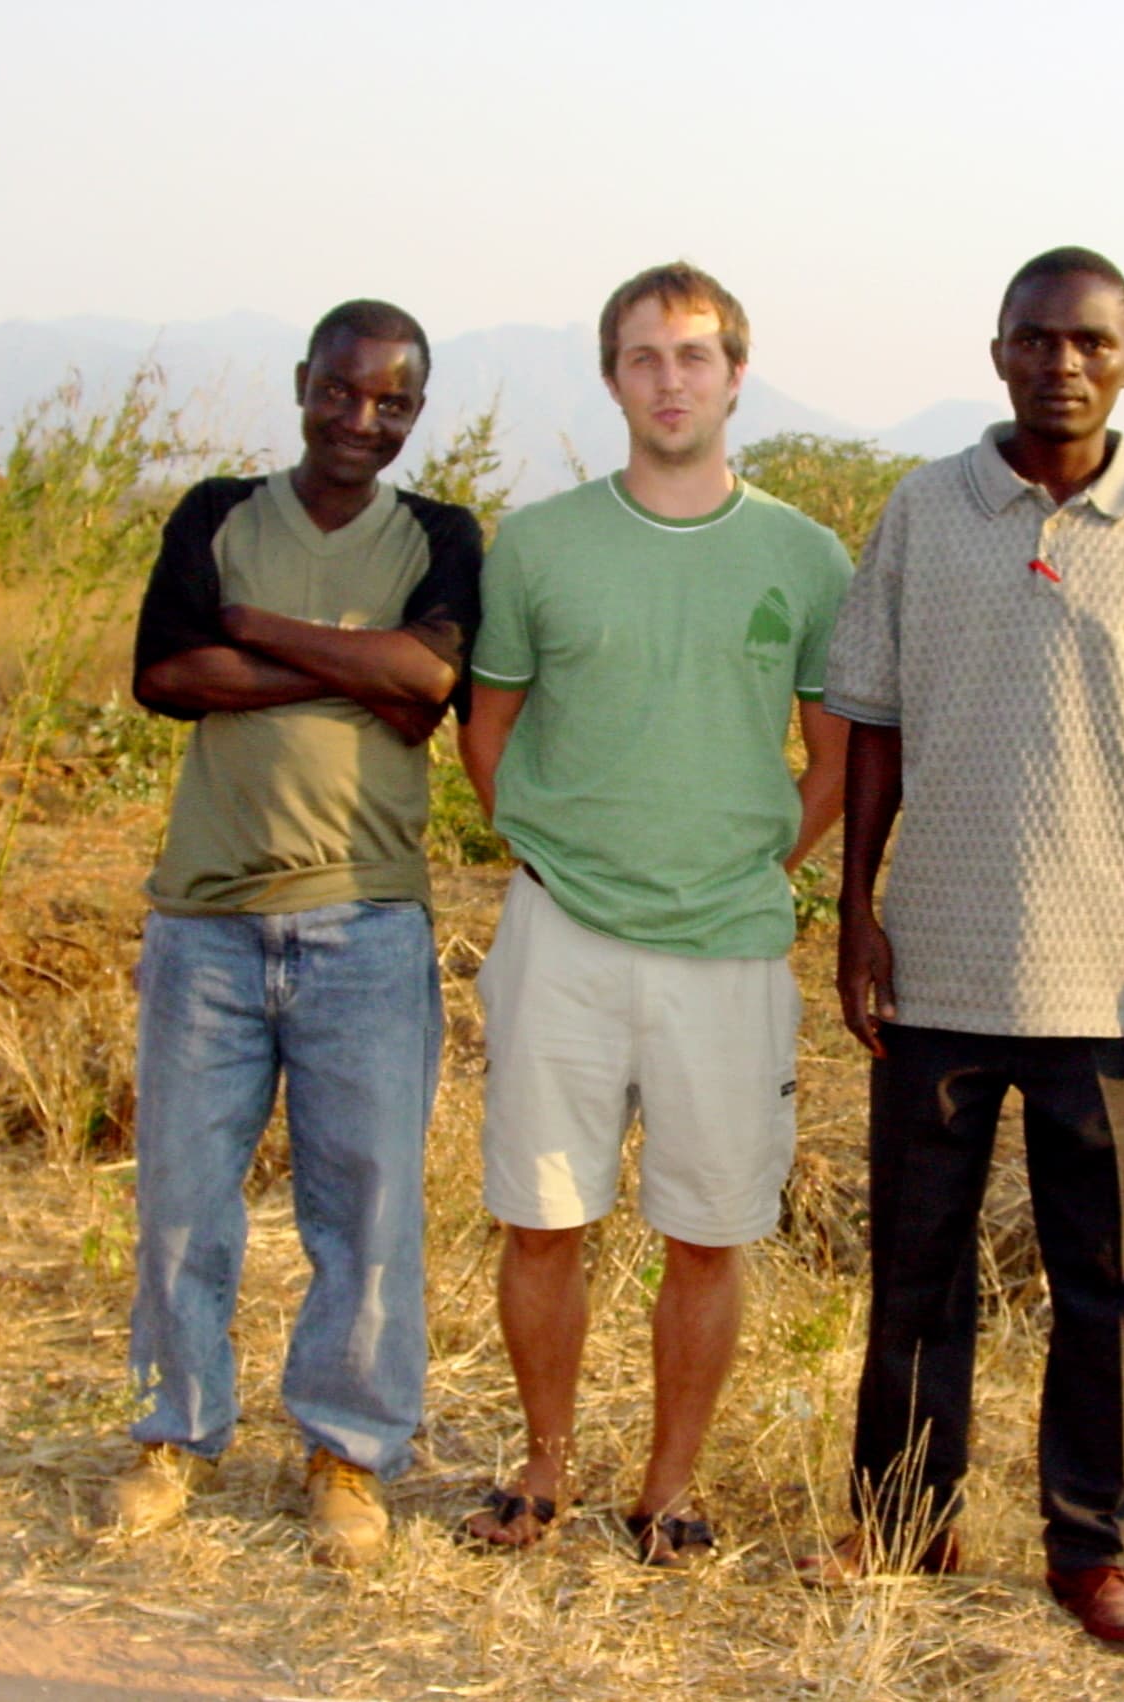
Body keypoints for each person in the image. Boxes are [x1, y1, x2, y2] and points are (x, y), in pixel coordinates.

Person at [802, 247, 1124, 1654]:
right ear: (996, 351)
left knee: (1104, 1284)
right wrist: (857, 911)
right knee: (916, 1269)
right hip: (937, 958)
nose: (1061, 363)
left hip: (1108, 976)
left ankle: (1091, 1551)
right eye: (1035, 338)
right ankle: (904, 1519)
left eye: (1088, 341)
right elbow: (870, 722)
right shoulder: (922, 509)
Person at [457, 262, 852, 1567]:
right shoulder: (540, 544)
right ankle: (542, 1467)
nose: (668, 380)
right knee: (542, 1216)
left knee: (707, 1228)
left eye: (692, 356)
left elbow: (837, 758)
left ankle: (668, 1488)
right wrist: (555, 857)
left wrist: (750, 868)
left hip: (727, 950)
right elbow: (487, 730)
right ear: (610, 377)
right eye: (642, 357)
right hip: (560, 936)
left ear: (736, 375)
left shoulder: (805, 558)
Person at [105, 298, 482, 1569]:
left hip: (365, 924)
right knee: (180, 1201)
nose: (359, 418)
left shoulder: (438, 534)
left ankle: (346, 1455)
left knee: (366, 1212)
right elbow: (167, 675)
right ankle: (171, 1435)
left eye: (390, 401)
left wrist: (253, 628)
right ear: (302, 384)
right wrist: (357, 663)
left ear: (414, 413)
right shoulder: (217, 513)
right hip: (205, 923)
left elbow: (429, 681)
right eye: (339, 390)